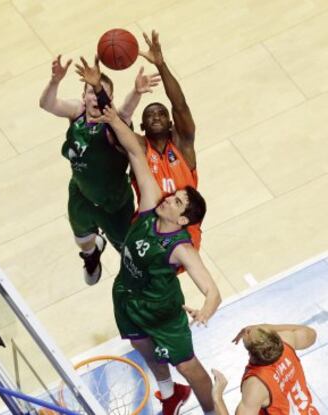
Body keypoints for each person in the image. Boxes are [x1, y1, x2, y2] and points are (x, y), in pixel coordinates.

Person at [93, 105, 221, 415]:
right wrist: (112, 119)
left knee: (192, 370)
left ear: (183, 218)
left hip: (162, 314)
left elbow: (213, 291)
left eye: (176, 201)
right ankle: (170, 393)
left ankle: (211, 410)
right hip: (127, 295)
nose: (169, 197)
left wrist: (204, 312)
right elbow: (137, 155)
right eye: (173, 194)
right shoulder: (150, 203)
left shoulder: (181, 249)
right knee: (140, 344)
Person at [39, 55, 160, 285]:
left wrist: (136, 92)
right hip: (81, 194)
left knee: (131, 256)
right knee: (82, 240)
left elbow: (124, 113)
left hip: (114, 205)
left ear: (110, 98)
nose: (95, 97)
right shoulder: (77, 113)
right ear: (84, 96)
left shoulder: (115, 124)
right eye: (91, 92)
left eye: (100, 92)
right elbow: (47, 104)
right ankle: (92, 254)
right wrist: (55, 81)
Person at [130, 30, 202, 251]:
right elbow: (117, 125)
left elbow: (180, 105)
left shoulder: (184, 145)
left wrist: (161, 64)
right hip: (148, 231)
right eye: (150, 115)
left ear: (171, 123)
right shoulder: (140, 148)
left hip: (183, 229)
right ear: (142, 127)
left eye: (161, 113)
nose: (156, 116)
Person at [211, 323, 319, 414]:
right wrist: (266, 328)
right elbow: (311, 334)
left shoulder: (256, 385)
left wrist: (217, 398)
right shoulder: (287, 342)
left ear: (251, 353)